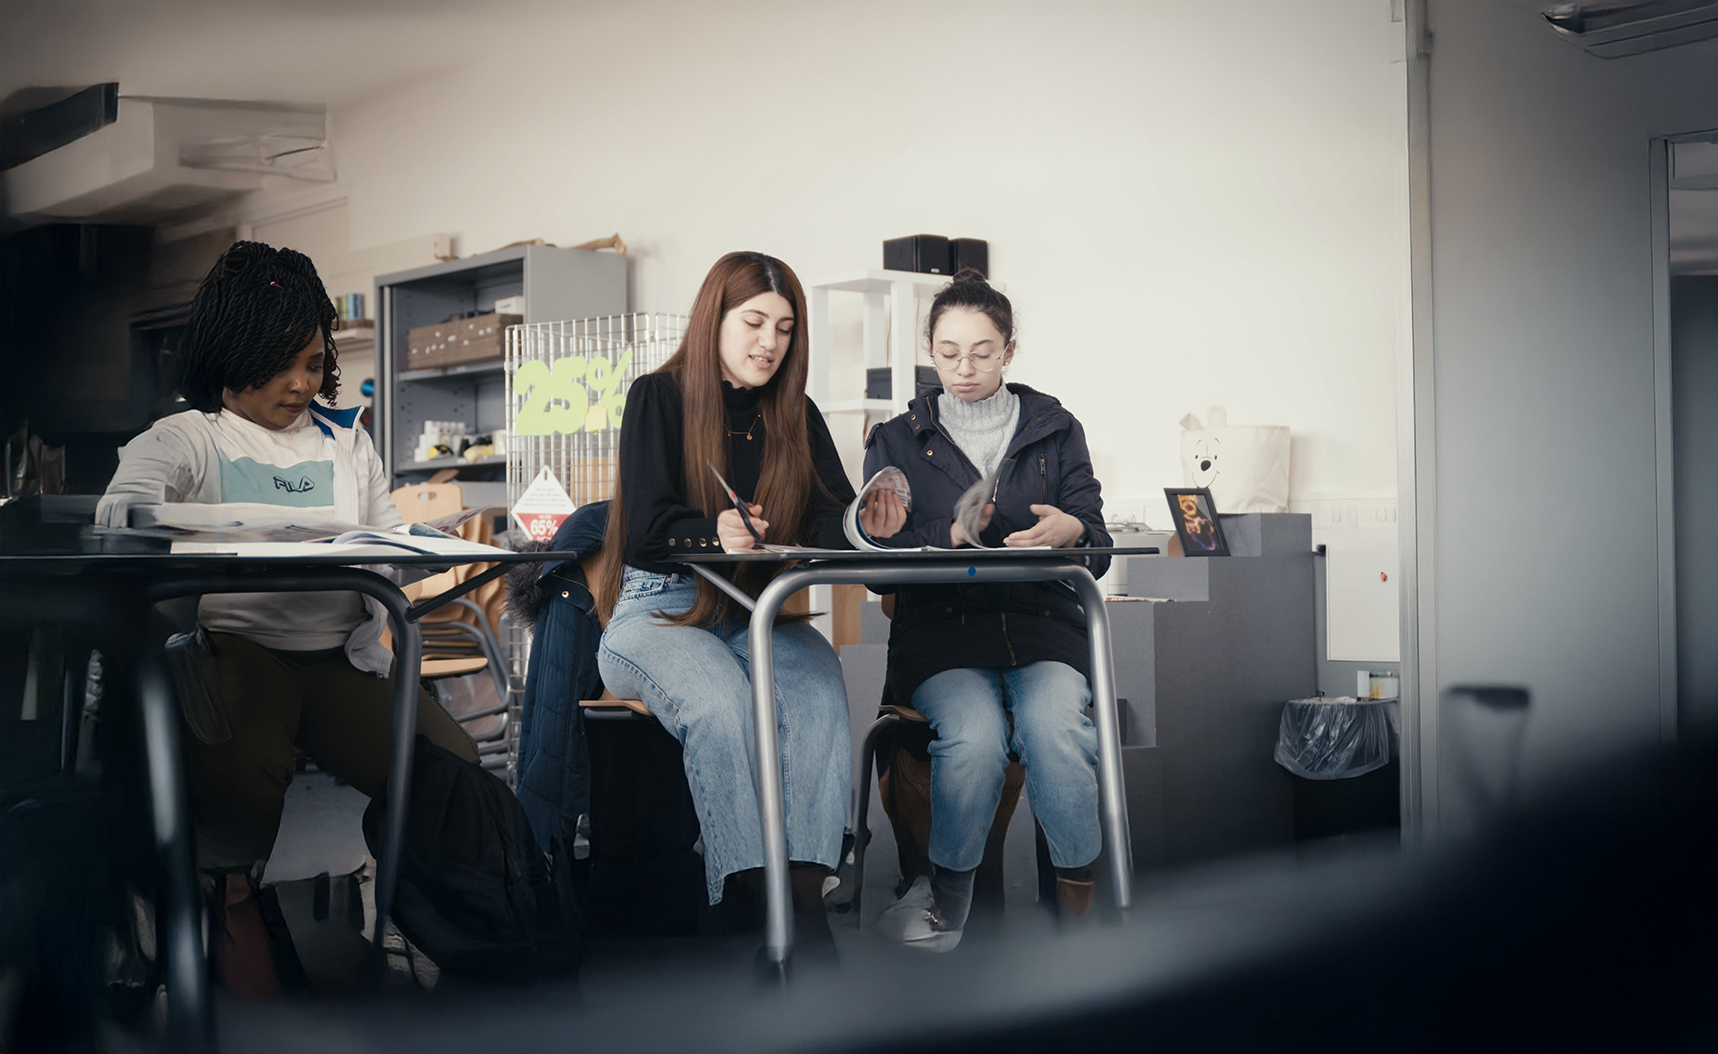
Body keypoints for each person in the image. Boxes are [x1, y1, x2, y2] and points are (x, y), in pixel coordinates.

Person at [96, 241, 479, 996]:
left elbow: (385, 538)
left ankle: (413, 921)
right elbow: (120, 512)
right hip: (241, 651)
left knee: (452, 770)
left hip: (340, 659)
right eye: (282, 364)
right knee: (240, 792)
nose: (302, 382)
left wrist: (416, 553)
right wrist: (202, 527)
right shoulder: (190, 436)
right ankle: (197, 935)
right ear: (232, 354)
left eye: (312, 361)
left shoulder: (346, 439)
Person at [592, 251, 890, 926]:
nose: (770, 343)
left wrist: (865, 521)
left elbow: (826, 518)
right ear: (713, 320)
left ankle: (805, 912)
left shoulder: (796, 413)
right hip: (657, 612)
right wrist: (711, 532)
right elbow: (646, 529)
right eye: (755, 322)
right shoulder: (657, 397)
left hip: (760, 614)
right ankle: (761, 911)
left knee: (818, 695)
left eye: (785, 329)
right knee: (722, 707)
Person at [861, 269, 1112, 951]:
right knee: (971, 740)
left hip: (1043, 630)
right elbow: (870, 551)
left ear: (1009, 350)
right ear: (929, 350)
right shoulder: (896, 437)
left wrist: (1073, 532)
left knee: (1057, 732)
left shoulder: (1056, 428)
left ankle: (1080, 917)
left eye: (981, 351)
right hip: (942, 635)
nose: (963, 368)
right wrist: (916, 538)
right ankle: (947, 912)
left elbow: (1099, 544)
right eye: (948, 353)